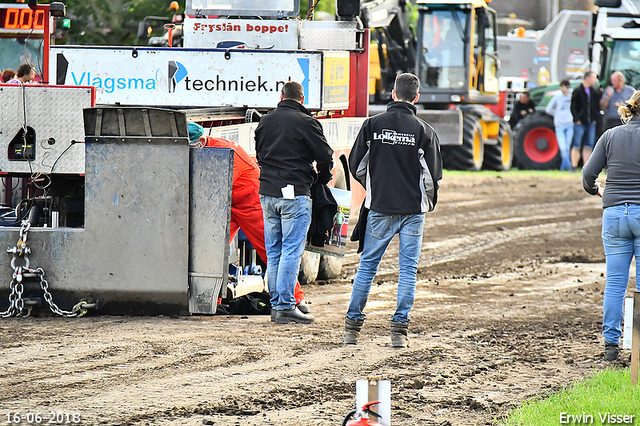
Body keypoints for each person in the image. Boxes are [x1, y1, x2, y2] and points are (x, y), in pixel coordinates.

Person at [343, 73, 443, 348]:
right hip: (413, 211)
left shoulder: (372, 125)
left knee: (367, 268)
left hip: (379, 209)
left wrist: (374, 190)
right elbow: (432, 177)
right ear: (417, 97)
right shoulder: (425, 131)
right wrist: (426, 204)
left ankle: (351, 330)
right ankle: (399, 332)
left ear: (393, 93)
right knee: (407, 271)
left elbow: (356, 166)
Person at [186, 122, 310, 316]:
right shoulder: (208, 149)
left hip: (250, 201)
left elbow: (208, 187)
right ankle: (211, 300)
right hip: (227, 202)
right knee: (212, 253)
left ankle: (296, 299)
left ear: (200, 142)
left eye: (191, 147)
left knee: (269, 249)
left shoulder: (222, 153)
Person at [254, 81, 334, 324]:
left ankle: (278, 303)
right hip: (295, 193)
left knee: (274, 250)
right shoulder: (307, 123)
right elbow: (325, 156)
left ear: (281, 96)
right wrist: (322, 178)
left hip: (267, 193)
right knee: (291, 249)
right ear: (302, 99)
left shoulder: (265, 121)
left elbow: (259, 153)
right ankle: (286, 306)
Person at [582, 90, 640, 361]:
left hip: (614, 213)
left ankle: (611, 347)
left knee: (615, 283)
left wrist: (596, 190)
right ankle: (638, 347)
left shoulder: (611, 136)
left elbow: (587, 174)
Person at [571, 71, 601, 169]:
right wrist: (577, 119)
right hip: (580, 122)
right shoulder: (578, 91)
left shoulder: (594, 92)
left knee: (589, 144)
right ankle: (574, 166)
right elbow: (573, 106)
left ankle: (586, 166)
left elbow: (596, 107)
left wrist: (595, 119)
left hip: (591, 121)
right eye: (593, 78)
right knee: (577, 144)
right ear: (587, 78)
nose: (595, 80)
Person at [545, 80, 574, 171]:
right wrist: (557, 115)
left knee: (567, 147)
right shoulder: (557, 97)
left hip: (569, 123)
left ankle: (563, 167)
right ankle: (568, 167)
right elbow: (548, 109)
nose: (562, 89)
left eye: (563, 87)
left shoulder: (572, 96)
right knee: (563, 147)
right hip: (560, 124)